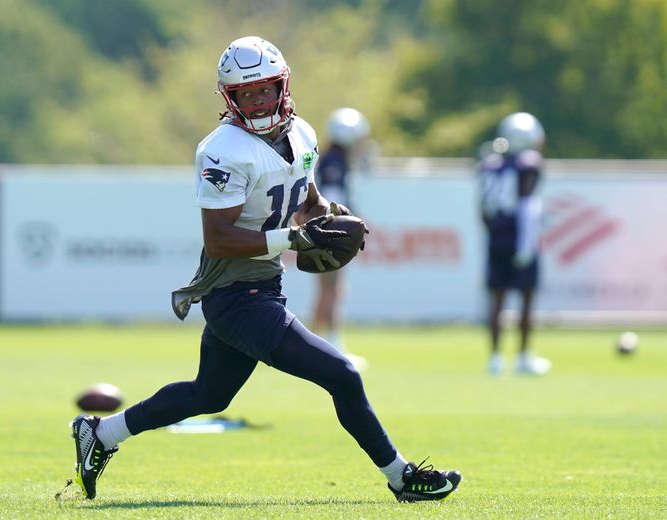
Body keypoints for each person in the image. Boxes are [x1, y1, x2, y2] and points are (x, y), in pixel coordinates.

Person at [67, 36, 461, 503]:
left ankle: (101, 433)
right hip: (234, 294)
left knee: (208, 396)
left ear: (283, 86)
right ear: (229, 98)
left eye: (263, 89)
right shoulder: (222, 149)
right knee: (342, 376)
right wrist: (293, 239)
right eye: (244, 93)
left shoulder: (304, 135)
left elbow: (305, 200)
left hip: (263, 287)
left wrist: (331, 215)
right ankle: (402, 477)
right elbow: (218, 237)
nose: (256, 101)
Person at [478, 111, 551, 376]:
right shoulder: (529, 164)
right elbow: (528, 206)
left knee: (496, 300)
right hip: (520, 236)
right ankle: (523, 357)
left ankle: (495, 359)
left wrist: (493, 234)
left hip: (497, 238)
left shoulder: (490, 164)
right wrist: (526, 244)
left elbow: (483, 210)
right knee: (526, 298)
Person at [311, 108, 371, 371]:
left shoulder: (335, 159)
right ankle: (314, 346)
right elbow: (333, 200)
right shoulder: (335, 162)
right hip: (330, 232)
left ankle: (329, 345)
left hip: (328, 231)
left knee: (333, 290)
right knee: (330, 291)